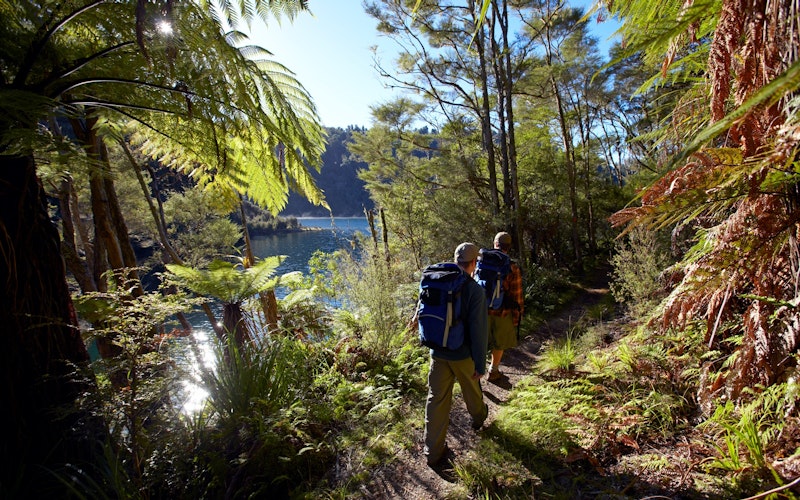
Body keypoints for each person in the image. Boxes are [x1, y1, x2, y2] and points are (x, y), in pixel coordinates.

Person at [423, 242, 489, 467]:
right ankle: (479, 419)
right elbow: (479, 331)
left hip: (437, 352)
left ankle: (433, 452)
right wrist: (480, 364)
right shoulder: (474, 290)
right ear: (473, 263)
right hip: (462, 355)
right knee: (472, 391)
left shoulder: (435, 280)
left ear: (454, 259)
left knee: (436, 399)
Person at [487, 231, 524, 381]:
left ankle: (474, 375)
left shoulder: (480, 261)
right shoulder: (512, 266)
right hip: (502, 312)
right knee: (499, 342)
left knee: (479, 342)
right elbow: (517, 294)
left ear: (495, 244)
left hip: (480, 311)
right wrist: (517, 316)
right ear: (508, 247)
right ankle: (493, 371)